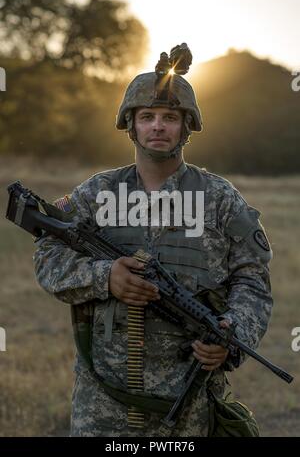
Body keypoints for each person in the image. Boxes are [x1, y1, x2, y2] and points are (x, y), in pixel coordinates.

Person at [34, 44, 273, 437]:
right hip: (102, 405)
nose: (158, 126)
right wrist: (104, 276)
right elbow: (47, 255)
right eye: (147, 117)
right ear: (132, 126)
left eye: (169, 117)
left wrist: (231, 336)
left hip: (188, 404)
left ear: (186, 127)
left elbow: (252, 278)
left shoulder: (219, 199)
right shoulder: (96, 193)